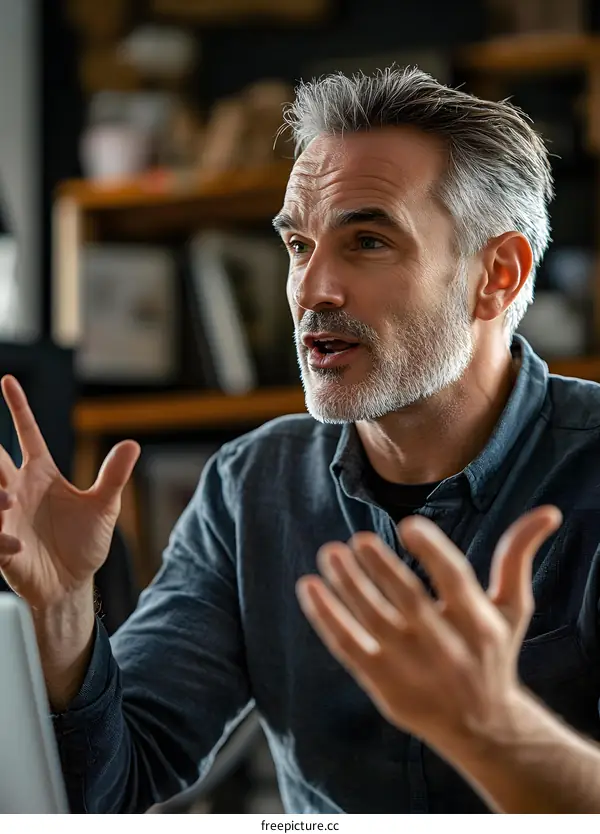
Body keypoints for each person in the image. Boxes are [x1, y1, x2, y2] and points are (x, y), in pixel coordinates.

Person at [2, 66, 600, 815]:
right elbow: (112, 789)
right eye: (297, 244)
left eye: (368, 241)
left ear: (497, 275)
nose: (312, 289)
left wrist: (493, 728)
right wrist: (61, 613)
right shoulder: (251, 487)